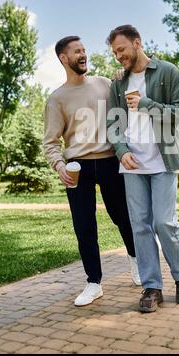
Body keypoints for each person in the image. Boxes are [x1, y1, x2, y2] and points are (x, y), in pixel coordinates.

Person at [43, 35, 140, 307]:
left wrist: (125, 75)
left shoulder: (104, 84)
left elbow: (129, 96)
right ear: (64, 58)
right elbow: (50, 142)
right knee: (84, 227)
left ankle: (136, 263)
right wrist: (59, 165)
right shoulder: (56, 99)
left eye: (84, 50)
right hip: (78, 167)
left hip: (110, 160)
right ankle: (94, 282)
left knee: (123, 217)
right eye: (77, 52)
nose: (83, 54)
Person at [107, 25, 179, 313]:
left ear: (137, 43)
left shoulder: (167, 71)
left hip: (163, 161)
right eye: (114, 52)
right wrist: (121, 151)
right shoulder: (118, 83)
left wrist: (146, 104)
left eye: (122, 49)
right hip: (133, 165)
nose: (119, 56)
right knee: (140, 226)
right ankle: (151, 287)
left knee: (164, 223)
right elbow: (113, 125)